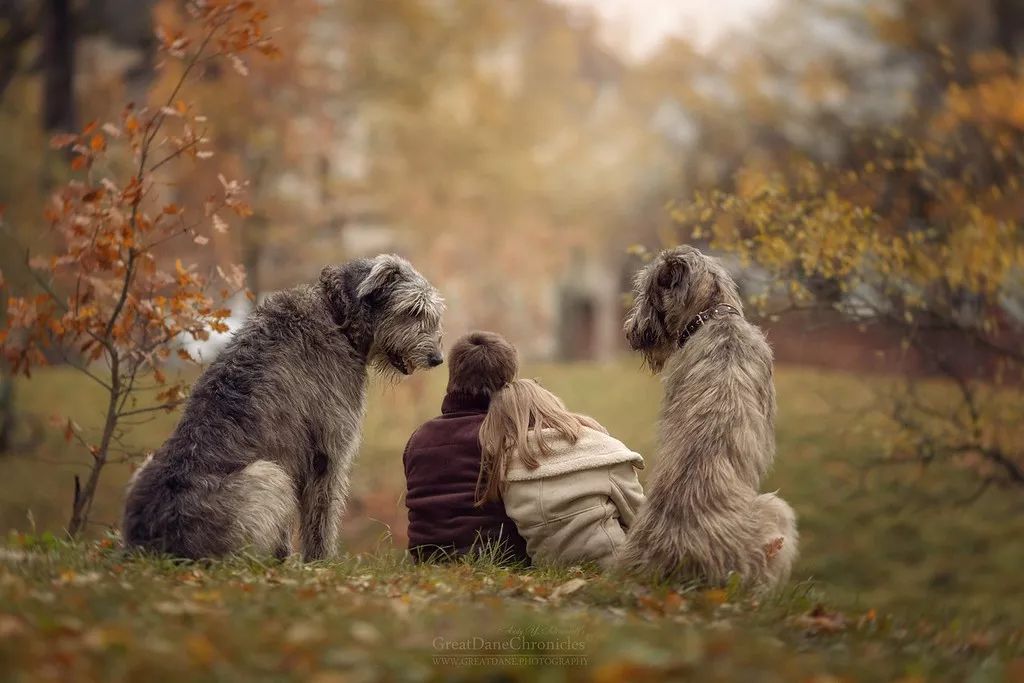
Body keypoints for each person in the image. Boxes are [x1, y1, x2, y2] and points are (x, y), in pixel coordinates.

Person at [476, 379, 646, 569]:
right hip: (612, 567)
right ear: (550, 405)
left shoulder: (503, 469)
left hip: (546, 571)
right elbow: (641, 519)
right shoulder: (600, 450)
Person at [402, 331, 529, 564]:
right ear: (509, 383)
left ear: (452, 378)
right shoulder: (510, 437)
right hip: (499, 560)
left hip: (427, 560)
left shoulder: (418, 438)